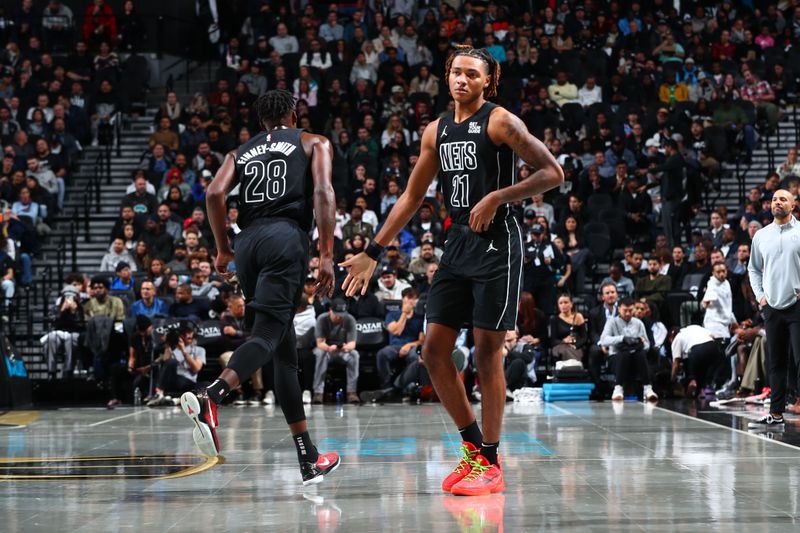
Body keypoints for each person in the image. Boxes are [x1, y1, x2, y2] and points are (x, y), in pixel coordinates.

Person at [341, 46, 564, 496]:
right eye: (455, 73)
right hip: (459, 243)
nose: (461, 80)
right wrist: (374, 251)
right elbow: (409, 197)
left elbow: (552, 172)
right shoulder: (435, 131)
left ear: (487, 82)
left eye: (471, 74)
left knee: (486, 353)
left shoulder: (501, 122)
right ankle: (473, 448)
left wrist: (499, 196)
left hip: (499, 241)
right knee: (434, 351)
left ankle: (493, 461)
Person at [179, 90, 340, 485]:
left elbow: (214, 194)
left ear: (262, 122)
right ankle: (212, 395)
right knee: (268, 333)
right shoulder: (313, 141)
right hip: (286, 237)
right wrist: (327, 252)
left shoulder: (240, 152)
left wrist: (221, 248)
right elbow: (322, 191)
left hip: (248, 243)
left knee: (284, 354)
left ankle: (308, 457)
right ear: (293, 112)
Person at [747, 189, 800, 429]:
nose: (777, 202)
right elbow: (753, 269)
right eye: (774, 199)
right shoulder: (761, 235)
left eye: (783, 199)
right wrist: (760, 297)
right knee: (776, 363)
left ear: (794, 205)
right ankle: (776, 414)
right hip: (772, 308)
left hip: (797, 305)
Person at [599, 297, 658, 402]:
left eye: (630, 310)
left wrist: (639, 343)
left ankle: (647, 388)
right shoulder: (612, 322)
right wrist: (622, 339)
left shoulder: (638, 323)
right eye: (625, 310)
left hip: (635, 357)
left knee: (640, 354)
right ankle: (618, 388)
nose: (627, 313)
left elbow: (647, 344)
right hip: (617, 356)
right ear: (619, 309)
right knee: (624, 353)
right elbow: (603, 340)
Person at [311, 298, 360, 404]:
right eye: (337, 314)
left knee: (354, 355)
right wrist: (329, 348)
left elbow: (352, 343)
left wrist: (345, 347)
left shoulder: (350, 319)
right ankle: (318, 393)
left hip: (343, 350)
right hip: (327, 350)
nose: (339, 317)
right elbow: (320, 343)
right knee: (319, 354)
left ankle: (352, 392)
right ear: (330, 310)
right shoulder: (322, 319)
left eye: (341, 314)